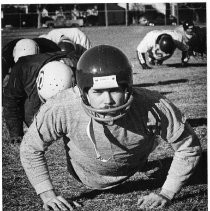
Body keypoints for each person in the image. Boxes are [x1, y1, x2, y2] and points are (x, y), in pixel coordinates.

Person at [20, 45, 201, 210]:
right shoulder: (62, 106)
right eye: (98, 91)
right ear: (83, 92)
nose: (108, 101)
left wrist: (166, 193)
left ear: (128, 88)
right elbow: (30, 148)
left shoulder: (152, 105)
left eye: (114, 90)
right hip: (84, 175)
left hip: (135, 163)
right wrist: (47, 194)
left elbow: (188, 146)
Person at [3, 50, 78, 144]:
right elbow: (11, 99)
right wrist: (16, 133)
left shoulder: (81, 70)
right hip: (32, 80)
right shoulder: (22, 68)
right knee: (34, 123)